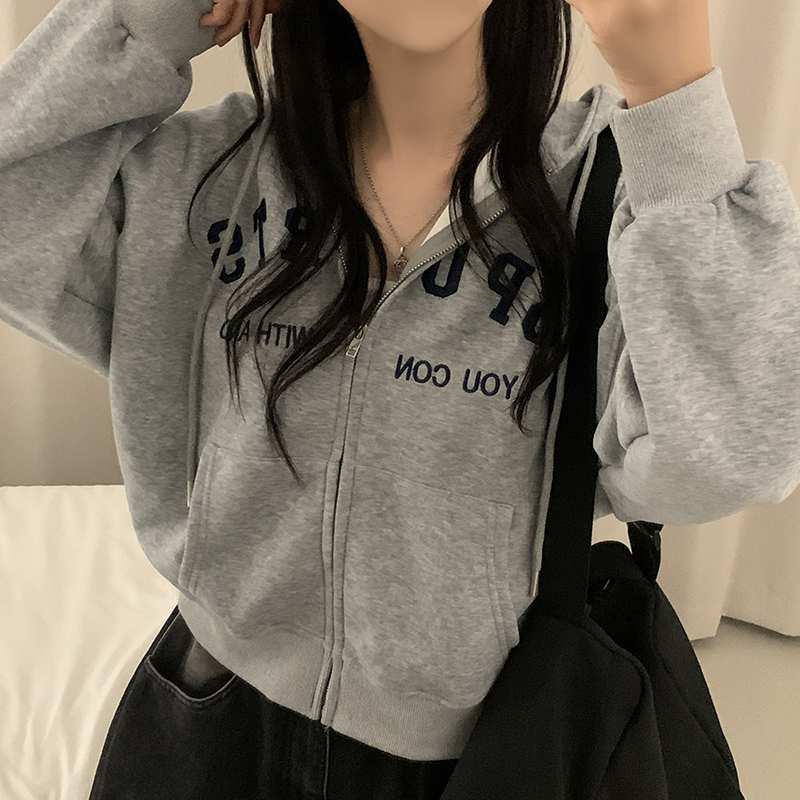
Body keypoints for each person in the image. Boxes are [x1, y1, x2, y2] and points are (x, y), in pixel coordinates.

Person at [2, 0, 800, 797]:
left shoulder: (618, 199)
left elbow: (733, 454)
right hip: (205, 713)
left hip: (471, 757)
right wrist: (160, 12)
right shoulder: (211, 177)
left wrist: (675, 101)